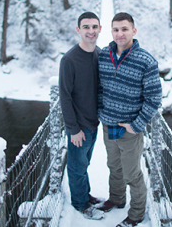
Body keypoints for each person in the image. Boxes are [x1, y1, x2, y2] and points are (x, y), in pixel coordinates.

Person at [97, 12, 162, 227]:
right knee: (113, 166)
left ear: (134, 31)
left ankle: (136, 214)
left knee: (132, 173)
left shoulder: (146, 61)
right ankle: (116, 199)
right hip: (108, 125)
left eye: (124, 29)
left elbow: (154, 98)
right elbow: (98, 88)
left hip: (130, 129)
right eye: (116, 29)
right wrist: (100, 112)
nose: (120, 33)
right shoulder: (104, 55)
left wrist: (137, 125)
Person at [59, 11, 105, 220]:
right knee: (77, 167)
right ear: (78, 30)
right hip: (79, 126)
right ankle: (80, 204)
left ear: (99, 29)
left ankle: (85, 195)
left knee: (84, 163)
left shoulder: (100, 54)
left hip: (94, 122)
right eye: (86, 27)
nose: (90, 31)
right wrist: (73, 129)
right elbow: (65, 97)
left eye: (94, 26)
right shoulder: (69, 59)